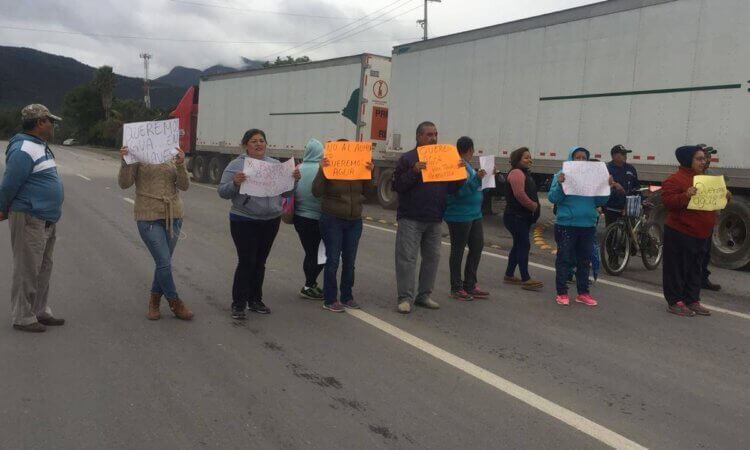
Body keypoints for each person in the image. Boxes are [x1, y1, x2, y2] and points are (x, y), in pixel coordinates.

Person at [218, 129, 300, 319]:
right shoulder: (236, 164)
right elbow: (222, 192)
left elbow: (286, 194)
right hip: (244, 219)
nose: (258, 144)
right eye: (253, 141)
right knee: (247, 261)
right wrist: (236, 183)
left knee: (260, 262)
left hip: (270, 220)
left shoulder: (275, 165)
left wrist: (294, 182)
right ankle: (238, 304)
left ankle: (255, 300)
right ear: (245, 144)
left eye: (261, 141)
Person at [0, 104, 65, 332]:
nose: (53, 125)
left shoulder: (40, 145)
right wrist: (2, 208)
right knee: (27, 268)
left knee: (43, 267)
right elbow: (9, 183)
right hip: (29, 216)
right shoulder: (24, 148)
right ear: (40, 123)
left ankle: (39, 310)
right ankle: (23, 316)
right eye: (51, 121)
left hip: (45, 218)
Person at [393, 121, 465, 314]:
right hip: (411, 217)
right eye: (429, 135)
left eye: (435, 134)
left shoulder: (442, 158)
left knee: (432, 258)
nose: (433, 138)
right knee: (407, 258)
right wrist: (414, 171)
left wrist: (460, 173)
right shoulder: (408, 159)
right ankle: (405, 298)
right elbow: (398, 186)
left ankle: (424, 295)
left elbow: (452, 188)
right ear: (418, 137)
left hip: (435, 218)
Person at [118, 144, 193, 320]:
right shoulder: (138, 155)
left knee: (163, 262)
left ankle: (154, 301)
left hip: (173, 215)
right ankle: (175, 302)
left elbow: (184, 185)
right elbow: (124, 184)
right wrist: (125, 161)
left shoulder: (172, 155)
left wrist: (181, 164)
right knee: (164, 261)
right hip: (148, 215)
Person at [661, 145, 730, 317]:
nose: (704, 161)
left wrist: (725, 196)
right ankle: (675, 301)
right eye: (699, 158)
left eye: (704, 158)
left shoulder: (705, 180)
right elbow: (668, 202)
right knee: (676, 268)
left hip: (701, 234)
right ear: (687, 160)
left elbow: (715, 204)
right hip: (680, 232)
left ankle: (692, 300)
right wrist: (685, 195)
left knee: (696, 269)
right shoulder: (675, 180)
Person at [312, 142, 374, 312]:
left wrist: (369, 172)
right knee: (332, 259)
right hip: (332, 219)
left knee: (350, 261)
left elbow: (368, 193)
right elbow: (316, 191)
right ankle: (330, 299)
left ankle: (347, 296)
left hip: (354, 220)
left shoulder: (358, 169)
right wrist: (322, 171)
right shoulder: (330, 168)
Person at [548, 147, 611, 307]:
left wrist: (606, 187)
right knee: (564, 259)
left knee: (584, 260)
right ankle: (562, 292)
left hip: (588, 224)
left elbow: (600, 202)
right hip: (567, 224)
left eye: (584, 157)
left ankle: (583, 293)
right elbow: (553, 198)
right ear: (571, 159)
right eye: (577, 157)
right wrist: (560, 185)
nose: (581, 160)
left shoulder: (592, 178)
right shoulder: (560, 175)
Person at [444, 136, 489, 301]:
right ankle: (456, 287)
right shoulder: (457, 166)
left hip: (474, 213)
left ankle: (470, 284)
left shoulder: (469, 166)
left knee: (477, 246)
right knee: (458, 250)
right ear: (471, 149)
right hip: (459, 214)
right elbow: (459, 192)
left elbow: (475, 187)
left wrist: (485, 179)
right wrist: (477, 179)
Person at [503, 147, 543, 291]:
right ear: (517, 159)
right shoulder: (516, 173)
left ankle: (509, 274)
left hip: (521, 216)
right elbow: (519, 194)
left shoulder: (524, 173)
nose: (529, 159)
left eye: (530, 157)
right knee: (524, 245)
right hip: (515, 216)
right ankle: (526, 278)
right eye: (525, 157)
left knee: (518, 244)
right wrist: (533, 206)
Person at [293, 138, 325, 300]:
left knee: (310, 252)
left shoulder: (298, 168)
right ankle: (309, 285)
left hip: (299, 218)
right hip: (318, 219)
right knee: (321, 254)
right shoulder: (323, 169)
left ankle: (310, 284)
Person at [696, 144, 721, 291]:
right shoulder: (692, 174)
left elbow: (717, 196)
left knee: (705, 252)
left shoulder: (712, 174)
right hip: (694, 220)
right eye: (706, 156)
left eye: (710, 156)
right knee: (694, 253)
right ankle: (689, 280)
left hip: (708, 220)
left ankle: (703, 279)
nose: (708, 159)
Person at [604, 145, 640, 227]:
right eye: (623, 154)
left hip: (629, 207)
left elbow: (636, 186)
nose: (625, 156)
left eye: (626, 154)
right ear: (614, 156)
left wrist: (641, 199)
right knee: (611, 235)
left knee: (629, 233)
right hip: (612, 207)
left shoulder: (630, 168)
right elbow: (604, 188)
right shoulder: (607, 169)